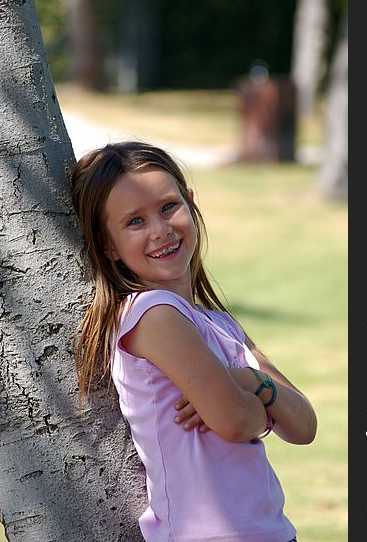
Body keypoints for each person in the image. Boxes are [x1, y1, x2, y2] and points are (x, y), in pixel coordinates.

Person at [71, 140, 317, 542]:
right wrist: (258, 403)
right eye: (135, 221)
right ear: (108, 245)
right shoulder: (152, 314)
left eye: (168, 207)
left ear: (189, 202)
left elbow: (305, 425)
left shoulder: (219, 323)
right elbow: (237, 422)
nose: (160, 230)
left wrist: (249, 383)